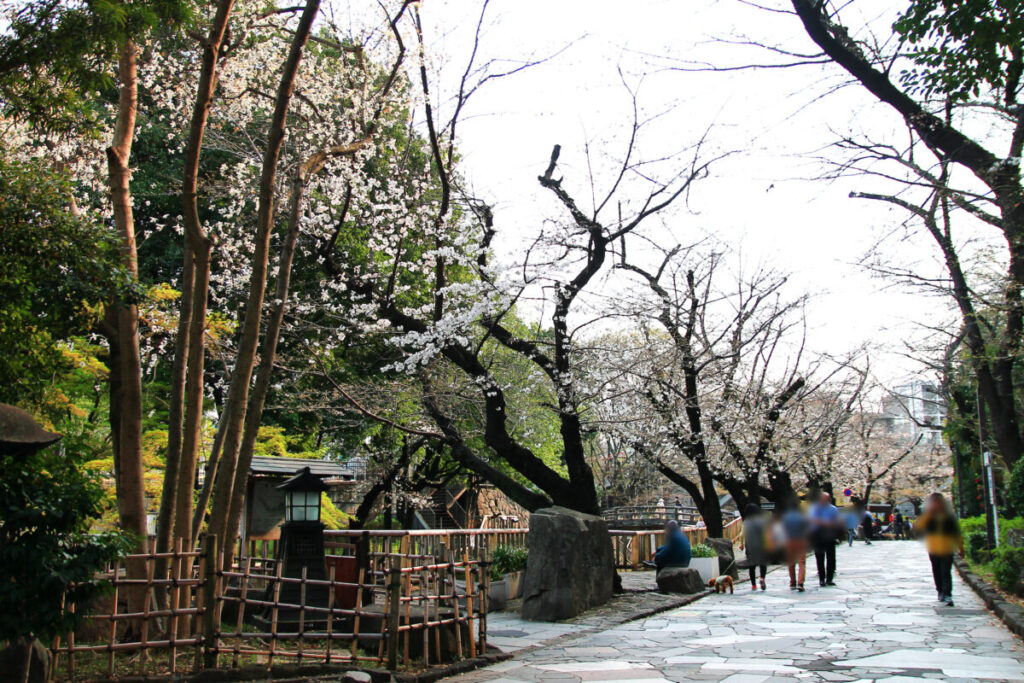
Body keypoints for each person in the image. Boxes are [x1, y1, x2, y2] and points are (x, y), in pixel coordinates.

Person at [914, 492, 963, 606]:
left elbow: (956, 532)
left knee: (946, 571)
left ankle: (947, 594)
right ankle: (940, 591)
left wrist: (960, 547)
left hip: (947, 547)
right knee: (937, 570)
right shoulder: (928, 516)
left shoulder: (949, 516)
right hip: (934, 547)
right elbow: (919, 527)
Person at [809, 492, 841, 587]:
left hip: (830, 534)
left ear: (828, 499)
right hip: (818, 534)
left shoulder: (833, 509)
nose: (823, 500)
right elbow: (813, 519)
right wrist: (827, 523)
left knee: (831, 557)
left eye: (825, 499)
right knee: (820, 557)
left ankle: (829, 579)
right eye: (822, 498)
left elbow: (837, 521)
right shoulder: (815, 508)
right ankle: (821, 579)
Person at [781, 499, 809, 592]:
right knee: (802, 563)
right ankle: (800, 583)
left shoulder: (786, 517)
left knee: (791, 563)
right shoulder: (802, 517)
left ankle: (792, 582)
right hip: (800, 540)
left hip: (789, 540)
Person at [739, 503, 768, 591]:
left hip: (750, 546)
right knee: (763, 564)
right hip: (761, 545)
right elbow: (766, 533)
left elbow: (741, 535)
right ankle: (762, 578)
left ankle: (754, 585)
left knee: (752, 566)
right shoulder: (761, 521)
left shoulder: (746, 522)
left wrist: (741, 544)